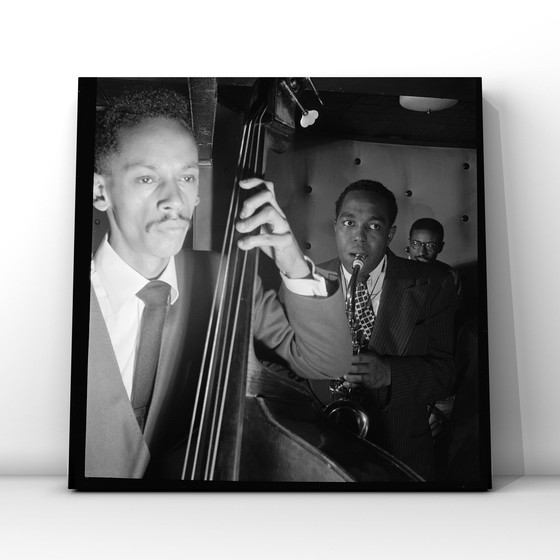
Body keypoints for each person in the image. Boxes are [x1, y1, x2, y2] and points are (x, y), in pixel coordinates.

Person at [85, 88, 352, 479]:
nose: (173, 200)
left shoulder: (223, 277)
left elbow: (327, 362)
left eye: (187, 177)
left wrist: (291, 260)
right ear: (100, 191)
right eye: (146, 178)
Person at [309, 180, 459, 480]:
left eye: (373, 227)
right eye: (349, 223)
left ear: (390, 233)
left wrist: (390, 374)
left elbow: (447, 373)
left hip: (402, 454)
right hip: (321, 455)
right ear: (335, 225)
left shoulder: (434, 283)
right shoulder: (306, 283)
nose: (358, 238)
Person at [406, 217, 461, 295]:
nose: (421, 252)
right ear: (410, 243)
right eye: (416, 243)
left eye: (430, 245)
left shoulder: (451, 276)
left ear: (440, 247)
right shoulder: (392, 272)